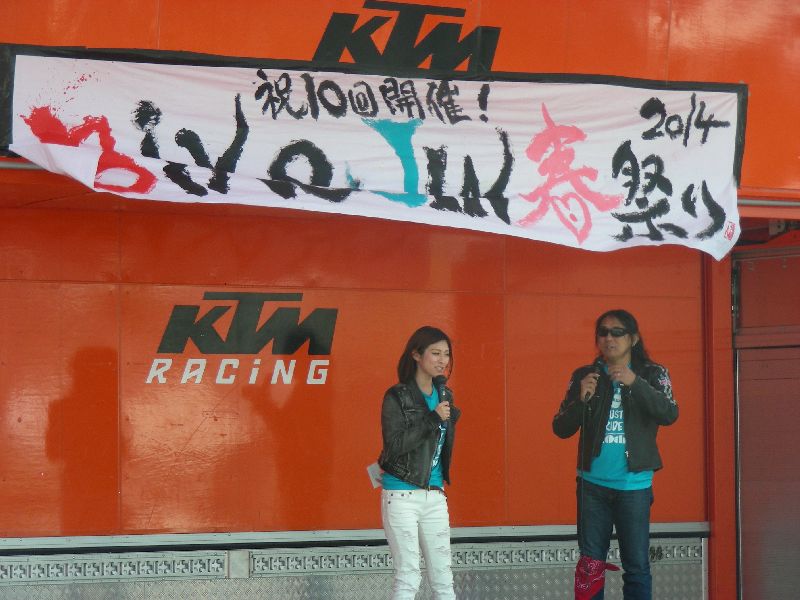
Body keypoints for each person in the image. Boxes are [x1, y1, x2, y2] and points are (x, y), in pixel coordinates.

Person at [552, 309, 678, 600]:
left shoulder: (653, 374)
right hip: (592, 486)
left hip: (633, 486)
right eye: (603, 332)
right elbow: (560, 428)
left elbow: (669, 413)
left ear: (633, 338)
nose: (609, 338)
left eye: (617, 332)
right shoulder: (584, 375)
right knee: (590, 567)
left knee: (636, 567)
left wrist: (635, 382)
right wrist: (581, 400)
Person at [378, 326, 461, 600]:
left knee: (444, 579)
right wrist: (432, 419)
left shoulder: (445, 395)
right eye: (435, 353)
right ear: (416, 354)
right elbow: (394, 447)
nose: (442, 360)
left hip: (435, 494)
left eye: (446, 354)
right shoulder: (397, 396)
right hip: (401, 494)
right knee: (409, 577)